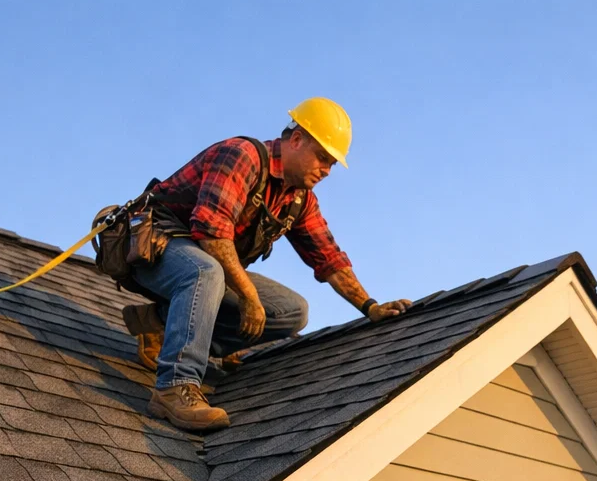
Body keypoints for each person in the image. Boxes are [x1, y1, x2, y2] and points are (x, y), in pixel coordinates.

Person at [124, 98, 411, 431]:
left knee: (292, 310)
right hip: (154, 250)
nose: (326, 170)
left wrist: (370, 307)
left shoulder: (299, 200)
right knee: (207, 270)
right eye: (322, 157)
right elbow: (211, 232)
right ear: (297, 139)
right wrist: (247, 295)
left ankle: (159, 325)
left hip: (206, 269)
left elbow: (328, 257)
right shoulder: (241, 156)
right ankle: (175, 386)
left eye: (332, 164)